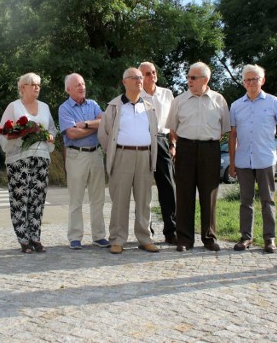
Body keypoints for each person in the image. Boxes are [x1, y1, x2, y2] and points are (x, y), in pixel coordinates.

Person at [228, 64, 277, 253]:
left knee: (268, 200)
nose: (251, 82)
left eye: (254, 79)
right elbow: (232, 135)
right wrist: (232, 162)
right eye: (247, 79)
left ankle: (269, 239)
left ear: (262, 80)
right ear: (243, 83)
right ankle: (246, 237)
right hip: (243, 161)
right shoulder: (236, 105)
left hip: (265, 159)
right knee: (245, 201)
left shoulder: (273, 102)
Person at [166, 62, 230, 252]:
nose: (189, 81)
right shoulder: (179, 100)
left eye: (193, 78)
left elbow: (224, 129)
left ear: (205, 79)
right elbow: (173, 129)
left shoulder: (218, 100)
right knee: (184, 193)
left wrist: (207, 142)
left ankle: (209, 237)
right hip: (185, 147)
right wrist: (183, 145)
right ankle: (184, 239)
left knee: (209, 193)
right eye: (188, 77)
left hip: (210, 148)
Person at [98, 68, 159, 255]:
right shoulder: (115, 106)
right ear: (124, 82)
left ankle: (144, 238)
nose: (139, 80)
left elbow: (154, 132)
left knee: (144, 201)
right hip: (122, 156)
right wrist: (115, 153)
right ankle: (117, 239)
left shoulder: (149, 106)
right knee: (120, 201)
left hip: (144, 156)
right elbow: (104, 134)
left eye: (140, 77)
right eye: (134, 78)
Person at [0, 73, 57, 254]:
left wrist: (49, 136)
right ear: (22, 87)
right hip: (19, 161)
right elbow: (4, 132)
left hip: (41, 159)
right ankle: (23, 238)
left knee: (37, 199)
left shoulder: (45, 107)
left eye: (39, 84)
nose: (37, 87)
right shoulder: (14, 107)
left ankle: (35, 237)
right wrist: (20, 134)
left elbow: (52, 129)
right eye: (33, 84)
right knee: (20, 199)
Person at [58, 73, 109, 250]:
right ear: (68, 89)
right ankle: (75, 237)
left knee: (98, 198)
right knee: (76, 199)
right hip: (76, 155)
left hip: (96, 154)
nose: (82, 87)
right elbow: (71, 133)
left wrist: (85, 124)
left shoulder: (93, 104)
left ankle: (99, 236)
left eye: (83, 83)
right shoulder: (64, 108)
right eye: (77, 85)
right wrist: (94, 127)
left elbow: (105, 122)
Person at [139, 61, 177, 244]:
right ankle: (147, 231)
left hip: (162, 139)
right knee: (144, 189)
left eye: (153, 72)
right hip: (143, 140)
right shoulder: (136, 96)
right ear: (140, 77)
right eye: (147, 73)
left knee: (168, 187)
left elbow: (173, 121)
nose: (152, 75)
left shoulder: (167, 93)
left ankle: (171, 230)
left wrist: (173, 144)